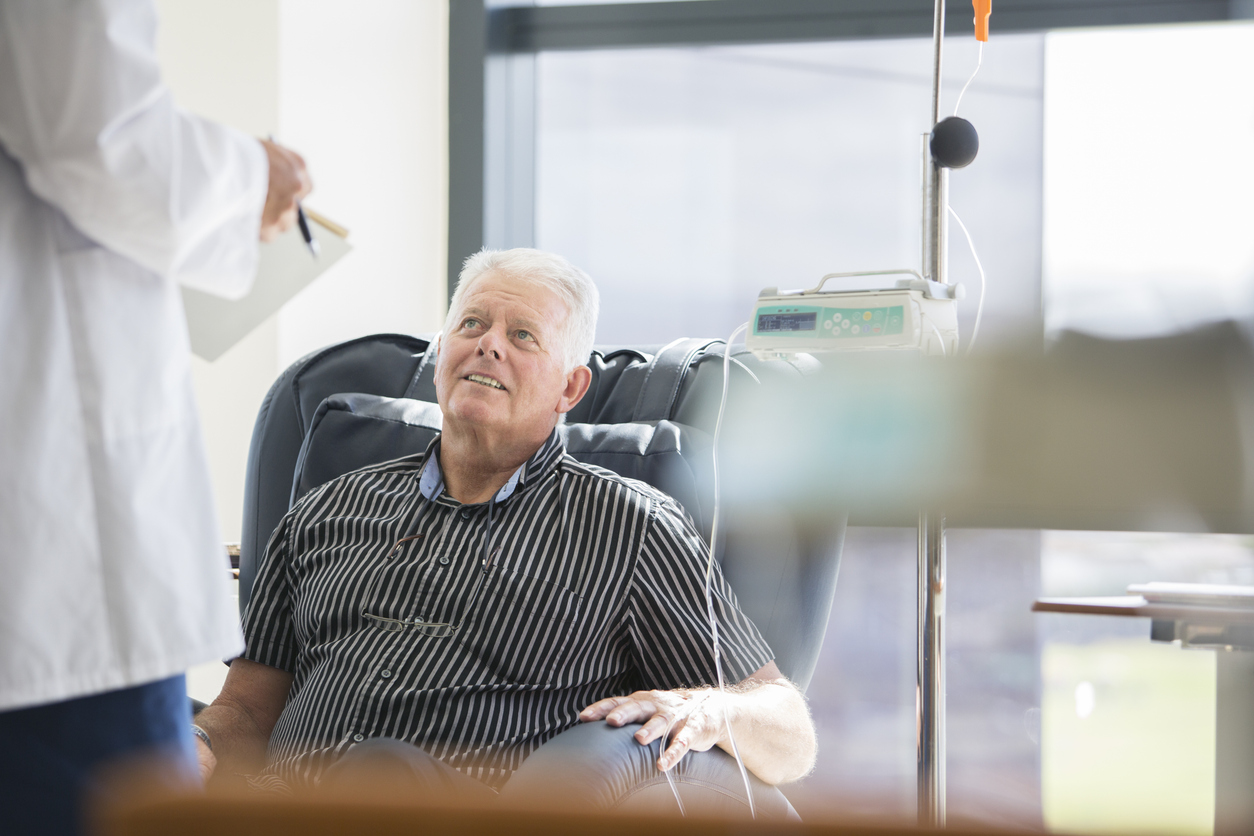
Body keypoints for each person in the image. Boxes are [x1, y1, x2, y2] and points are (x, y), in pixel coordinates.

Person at [192, 248, 817, 805]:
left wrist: (703, 708)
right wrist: (191, 743)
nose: (489, 345)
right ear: (441, 355)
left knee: (382, 770)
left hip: (461, 811)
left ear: (569, 388)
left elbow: (790, 734)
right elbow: (245, 710)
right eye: (471, 325)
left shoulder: (631, 528)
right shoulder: (326, 510)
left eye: (522, 335)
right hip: (274, 810)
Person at [0, 2, 312, 834]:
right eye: (472, 322)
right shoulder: (332, 512)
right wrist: (253, 177)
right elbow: (95, 134)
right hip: (54, 582)